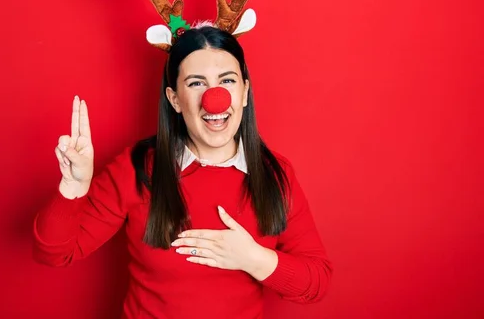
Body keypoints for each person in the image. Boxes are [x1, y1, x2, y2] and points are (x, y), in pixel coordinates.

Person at [32, 25, 333, 318]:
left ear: (244, 93)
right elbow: (55, 253)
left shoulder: (275, 174)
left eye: (227, 81)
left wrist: (253, 258)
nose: (214, 97)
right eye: (196, 83)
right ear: (174, 99)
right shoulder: (138, 167)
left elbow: (317, 283)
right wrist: (74, 184)